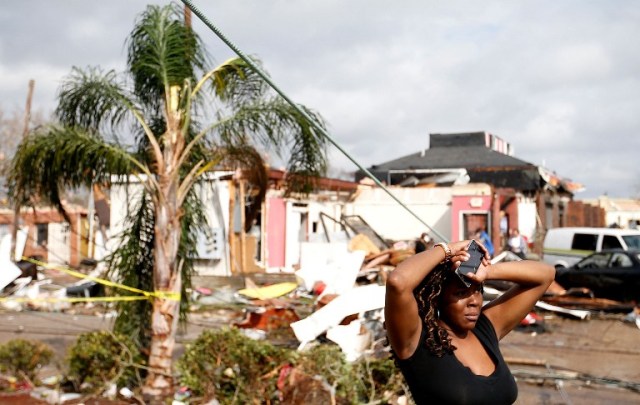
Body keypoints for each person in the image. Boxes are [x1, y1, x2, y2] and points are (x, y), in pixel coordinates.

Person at [385, 239, 554, 404]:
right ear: (437, 298)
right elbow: (398, 282)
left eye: (478, 290)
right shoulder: (416, 341)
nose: (474, 301)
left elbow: (546, 274)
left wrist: (486, 271)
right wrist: (447, 249)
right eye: (460, 293)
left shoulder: (485, 329)